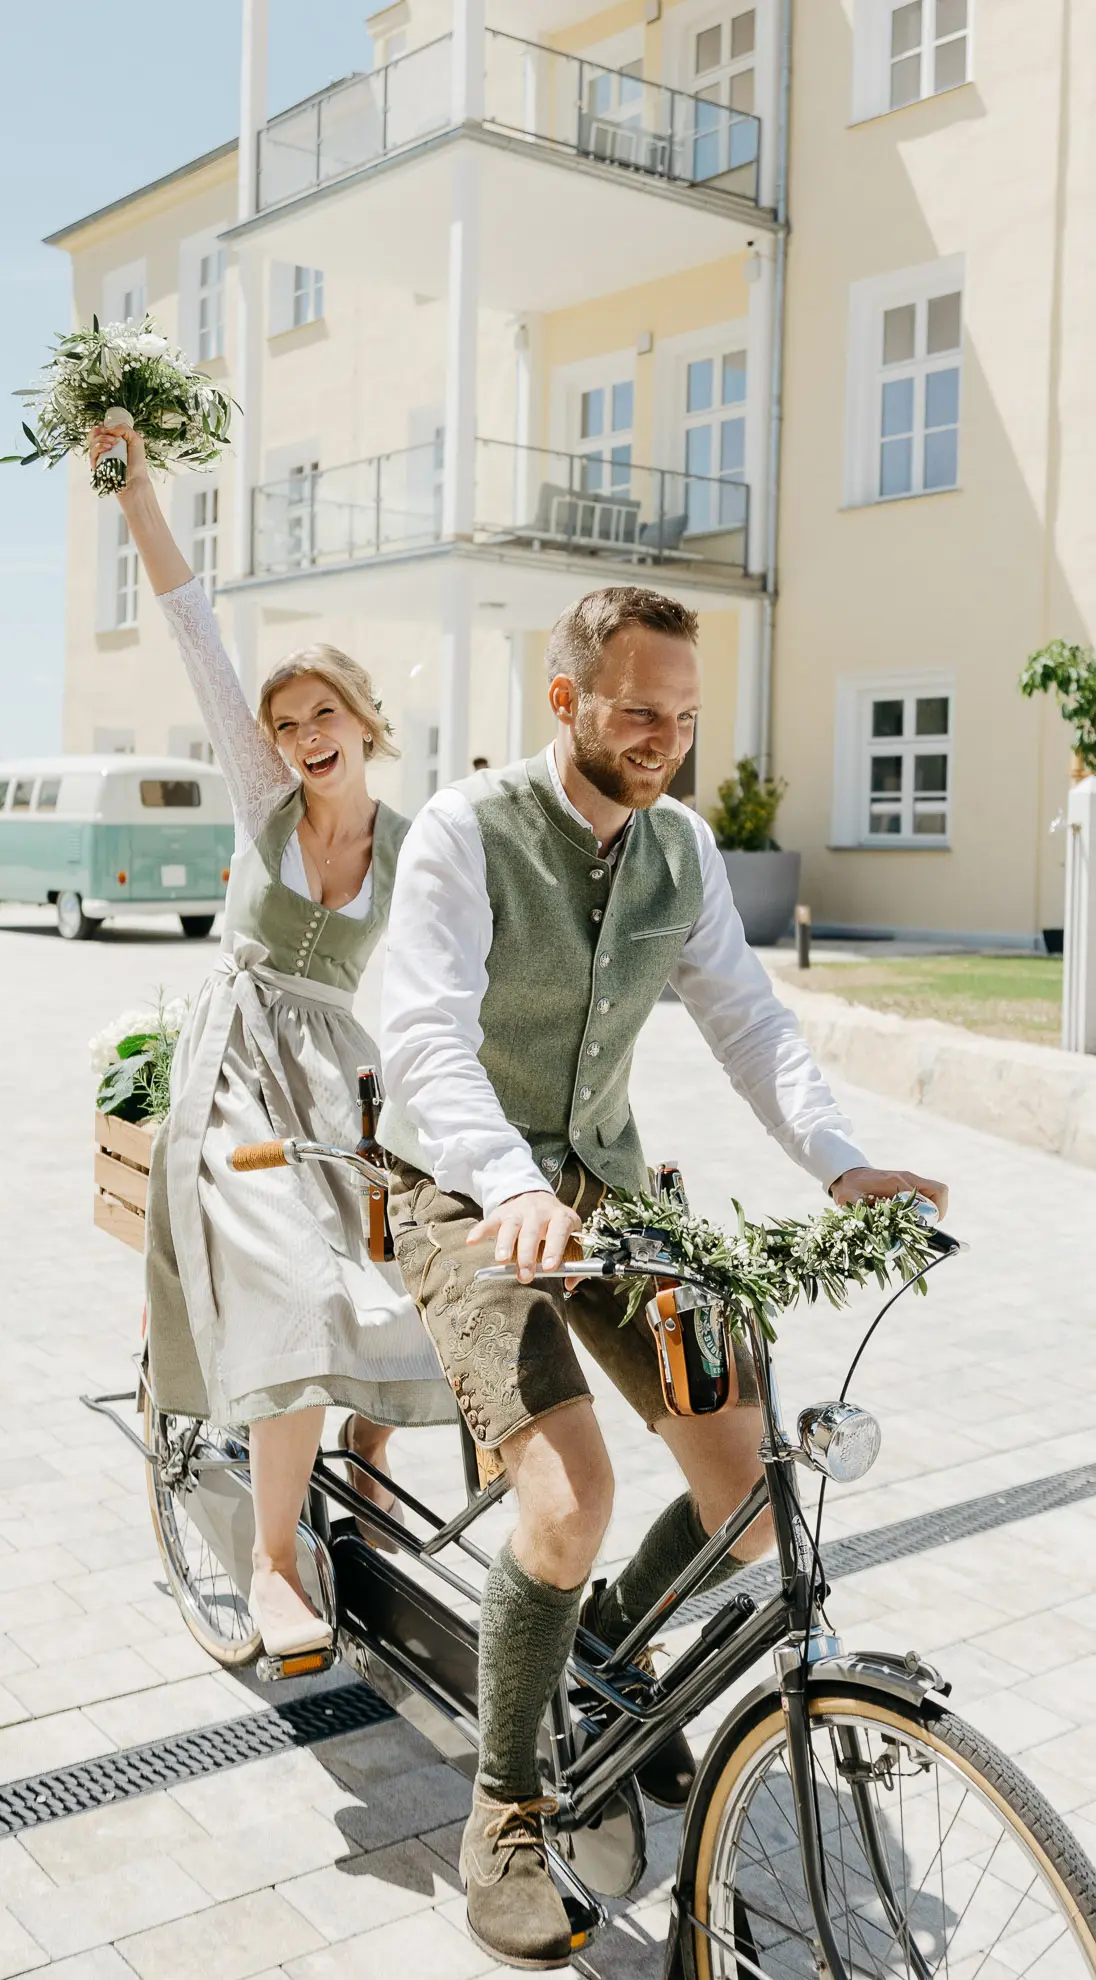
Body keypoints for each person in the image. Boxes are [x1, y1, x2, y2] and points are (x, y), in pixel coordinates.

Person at [378, 585, 948, 1969]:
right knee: (569, 1497)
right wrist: (508, 1184)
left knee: (747, 1492)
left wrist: (844, 1165)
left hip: (610, 1189)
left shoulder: (680, 848)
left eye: (686, 718)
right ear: (564, 699)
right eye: (640, 712)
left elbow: (750, 1023)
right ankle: (508, 1812)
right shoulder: (466, 829)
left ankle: (606, 1652)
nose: (667, 742)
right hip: (460, 1189)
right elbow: (424, 1035)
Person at [89, 423, 454, 1661]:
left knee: (409, 1273)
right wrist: (139, 493)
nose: (303, 735)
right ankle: (274, 1560)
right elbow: (194, 626)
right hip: (238, 1066)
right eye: (286, 721)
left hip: (338, 1075)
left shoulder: (416, 848)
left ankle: (369, 1455)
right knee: (299, 1287)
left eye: (322, 713)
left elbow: (455, 983)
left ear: (365, 721)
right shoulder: (266, 803)